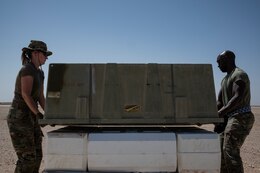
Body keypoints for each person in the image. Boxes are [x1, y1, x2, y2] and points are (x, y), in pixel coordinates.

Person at [7, 40, 52, 173]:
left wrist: (50, 114)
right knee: (27, 158)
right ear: (35, 53)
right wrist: (38, 114)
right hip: (19, 119)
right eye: (45, 54)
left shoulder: (40, 73)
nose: (46, 57)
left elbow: (40, 97)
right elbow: (25, 94)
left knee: (38, 156)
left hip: (31, 118)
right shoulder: (27, 69)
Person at [215, 50, 255, 173]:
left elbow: (237, 98)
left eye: (219, 62)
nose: (218, 65)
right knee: (220, 152)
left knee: (229, 150)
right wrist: (209, 116)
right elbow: (220, 102)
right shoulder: (225, 80)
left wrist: (219, 114)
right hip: (229, 118)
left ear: (227, 59)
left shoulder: (239, 75)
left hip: (241, 116)